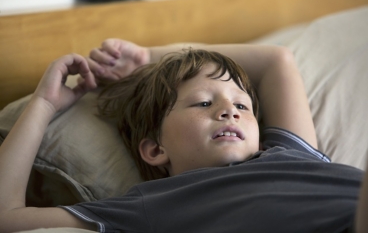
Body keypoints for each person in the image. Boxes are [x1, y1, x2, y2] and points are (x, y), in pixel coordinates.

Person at [0, 39, 366, 233]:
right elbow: (7, 216)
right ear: (156, 149)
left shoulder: (290, 152)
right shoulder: (152, 205)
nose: (229, 111)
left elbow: (276, 61)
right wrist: (45, 103)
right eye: (203, 103)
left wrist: (148, 57)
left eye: (243, 106)